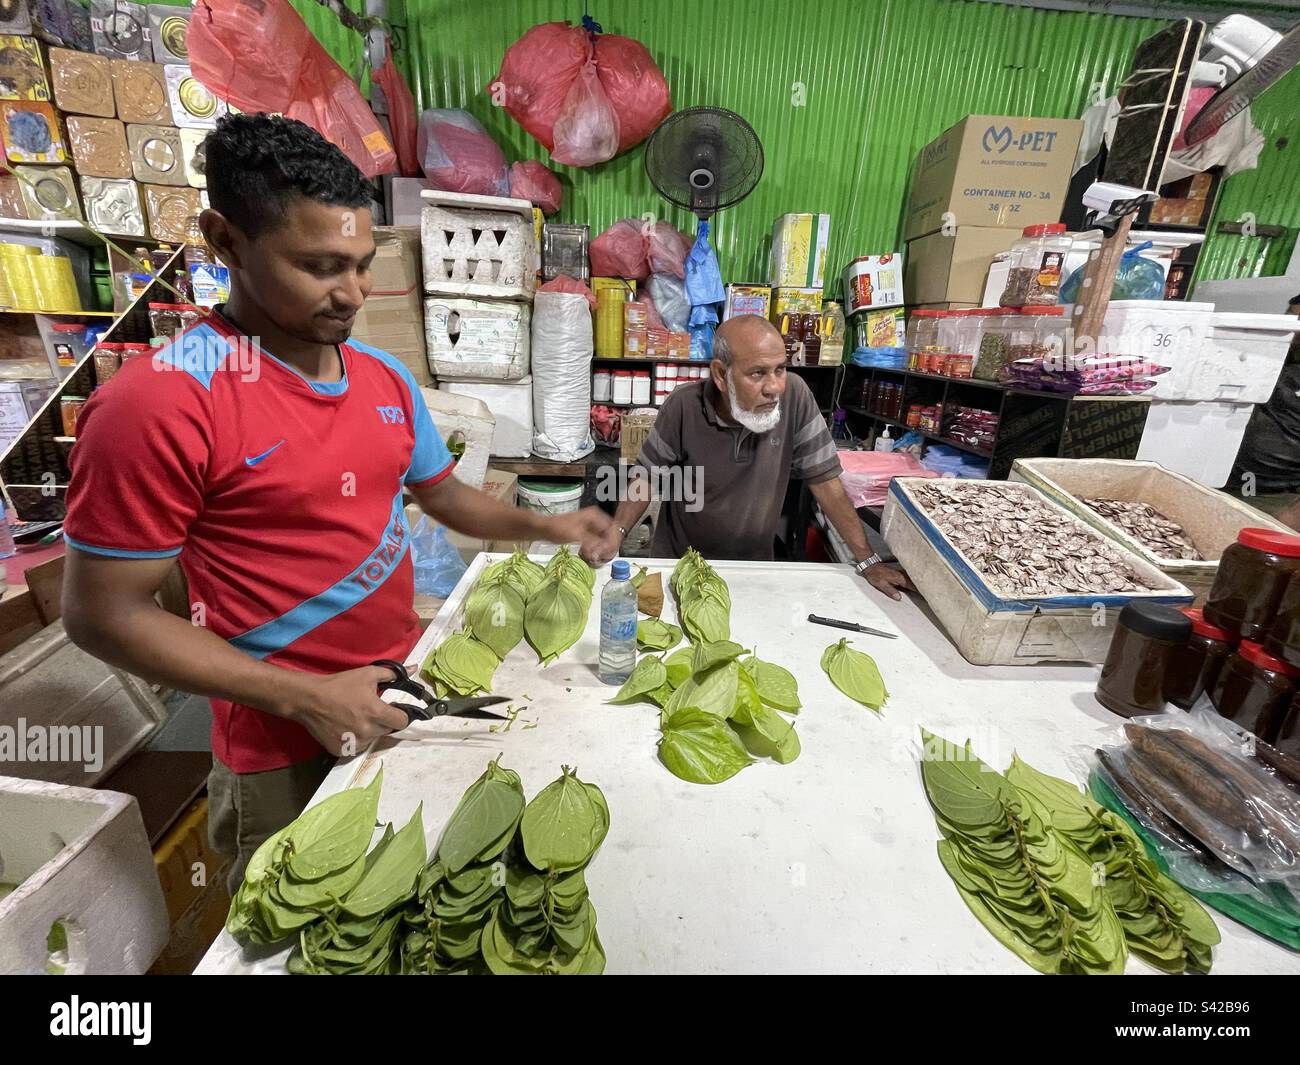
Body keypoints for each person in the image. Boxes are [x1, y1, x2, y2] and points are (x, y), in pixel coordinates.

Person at [60, 114, 611, 890]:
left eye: (360, 263)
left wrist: (546, 522)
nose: (352, 292)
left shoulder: (382, 378)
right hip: (275, 747)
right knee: (294, 931)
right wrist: (306, 695)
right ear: (225, 240)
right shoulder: (160, 404)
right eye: (319, 266)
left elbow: (444, 495)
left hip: (398, 700)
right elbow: (101, 614)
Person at [582, 314, 913, 598]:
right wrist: (616, 532)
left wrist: (867, 560)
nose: (774, 387)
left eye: (780, 369)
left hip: (752, 566)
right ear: (720, 375)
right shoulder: (684, 405)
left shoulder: (795, 396)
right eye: (757, 373)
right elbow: (648, 475)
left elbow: (825, 481)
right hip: (680, 565)